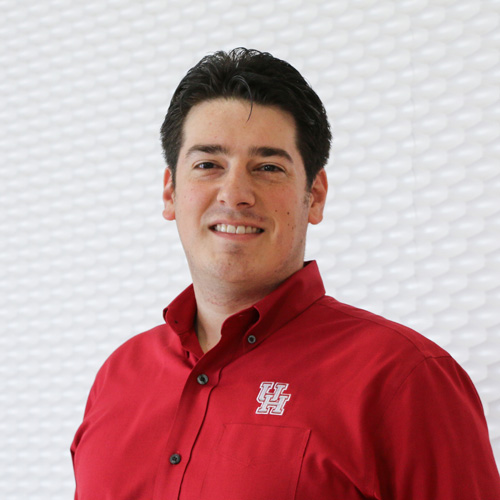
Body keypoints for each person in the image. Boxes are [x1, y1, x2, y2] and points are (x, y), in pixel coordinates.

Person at [71, 48, 500, 499]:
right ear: (170, 193)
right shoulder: (117, 378)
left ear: (314, 195)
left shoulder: (405, 379)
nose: (235, 194)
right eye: (208, 165)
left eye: (269, 168)